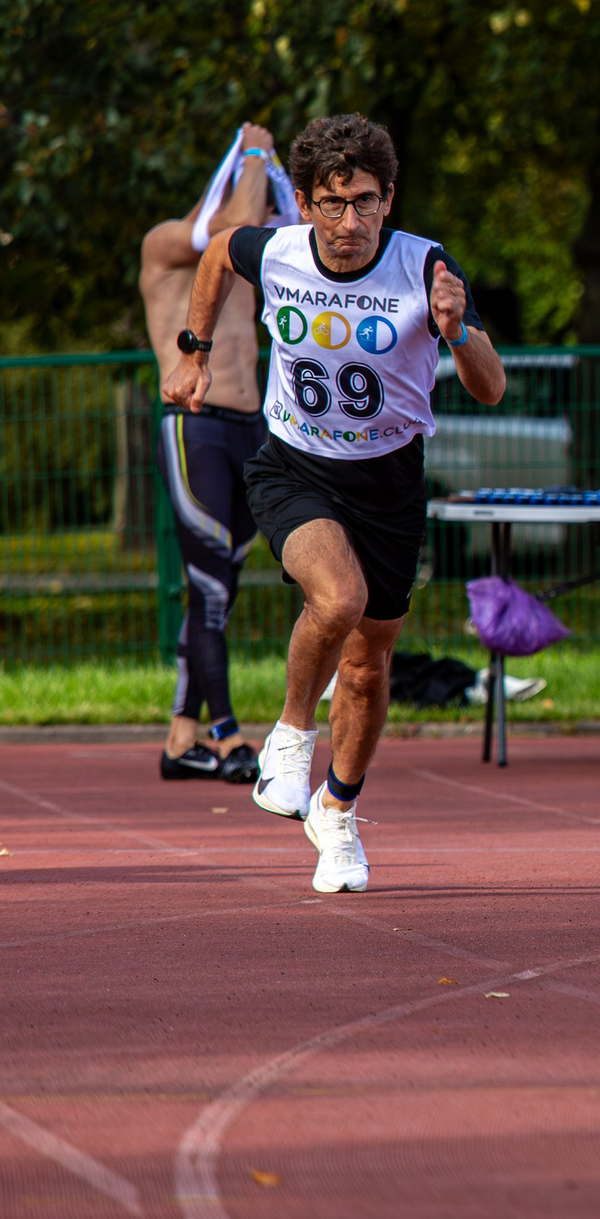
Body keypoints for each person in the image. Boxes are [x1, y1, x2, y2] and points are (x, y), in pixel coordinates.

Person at [164, 114, 505, 893]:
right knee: (338, 597)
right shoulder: (279, 250)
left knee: (369, 663)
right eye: (330, 202)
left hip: (387, 481)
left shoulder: (427, 268)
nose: (348, 222)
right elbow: (219, 251)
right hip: (295, 465)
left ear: (390, 199)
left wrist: (458, 332)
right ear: (307, 203)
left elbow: (491, 387)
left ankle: (338, 810)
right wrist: (195, 349)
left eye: (364, 201)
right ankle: (287, 737)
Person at [138, 124, 292, 783]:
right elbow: (228, 225)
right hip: (194, 423)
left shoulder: (256, 250)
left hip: (249, 429)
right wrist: (256, 154)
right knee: (206, 589)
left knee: (219, 587)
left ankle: (181, 738)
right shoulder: (168, 242)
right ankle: (227, 736)